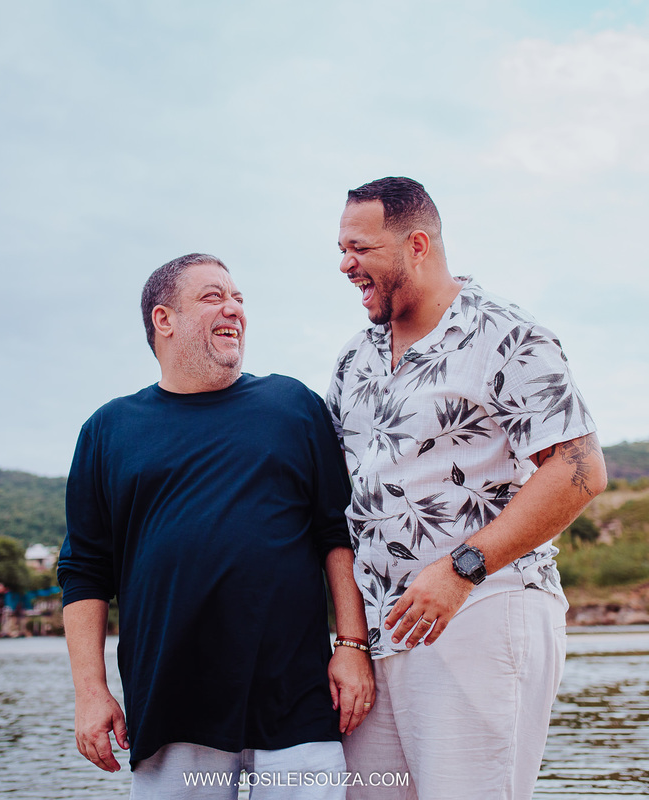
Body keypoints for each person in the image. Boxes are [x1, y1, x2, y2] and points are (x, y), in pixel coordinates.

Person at [328, 178, 607, 799]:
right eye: (341, 250)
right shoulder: (354, 360)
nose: (346, 266)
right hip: (379, 637)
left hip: (481, 612)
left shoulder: (504, 335)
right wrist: (349, 639)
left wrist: (461, 570)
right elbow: (334, 502)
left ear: (417, 245)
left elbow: (579, 468)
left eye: (360, 249)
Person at [58, 253, 374, 799]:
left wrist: (351, 645)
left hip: (297, 697)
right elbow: (85, 572)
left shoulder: (291, 405)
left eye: (238, 299)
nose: (233, 309)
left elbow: (336, 534)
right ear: (164, 320)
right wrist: (91, 692)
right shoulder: (109, 430)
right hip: (173, 703)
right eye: (212, 296)